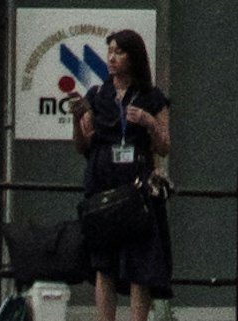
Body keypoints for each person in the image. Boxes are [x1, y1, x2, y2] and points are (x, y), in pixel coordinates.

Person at [65, 33, 174, 321]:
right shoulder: (97, 96)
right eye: (110, 52)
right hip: (103, 182)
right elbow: (82, 145)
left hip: (137, 184)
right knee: (105, 264)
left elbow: (164, 146)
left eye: (120, 52)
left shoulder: (151, 97)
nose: (112, 58)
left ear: (134, 57)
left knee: (141, 260)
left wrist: (149, 123)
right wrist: (78, 122)